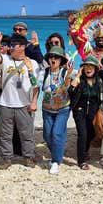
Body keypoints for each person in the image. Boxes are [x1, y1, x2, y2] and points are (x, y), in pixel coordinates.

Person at [0, 33, 39, 170]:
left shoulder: (33, 63)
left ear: (22, 47)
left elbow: (36, 85)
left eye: (13, 46)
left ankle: (28, 157)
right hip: (6, 103)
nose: (10, 48)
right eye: (10, 45)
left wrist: (34, 102)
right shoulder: (6, 59)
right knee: (5, 133)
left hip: (24, 104)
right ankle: (7, 158)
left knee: (27, 133)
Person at [40, 45, 74, 175]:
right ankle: (56, 154)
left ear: (61, 60)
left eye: (56, 57)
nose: (53, 59)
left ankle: (56, 162)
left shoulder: (65, 72)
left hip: (63, 109)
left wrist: (70, 75)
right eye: (51, 57)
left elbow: (67, 86)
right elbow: (36, 84)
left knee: (57, 134)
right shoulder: (44, 72)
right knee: (47, 135)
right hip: (47, 109)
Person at [69, 56, 103, 169]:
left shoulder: (98, 81)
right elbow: (71, 90)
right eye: (86, 66)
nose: (88, 68)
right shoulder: (80, 80)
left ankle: (85, 150)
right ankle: (81, 161)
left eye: (91, 66)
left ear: (95, 69)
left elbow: (101, 96)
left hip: (93, 111)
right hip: (79, 110)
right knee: (82, 134)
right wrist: (78, 76)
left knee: (91, 133)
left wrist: (101, 109)